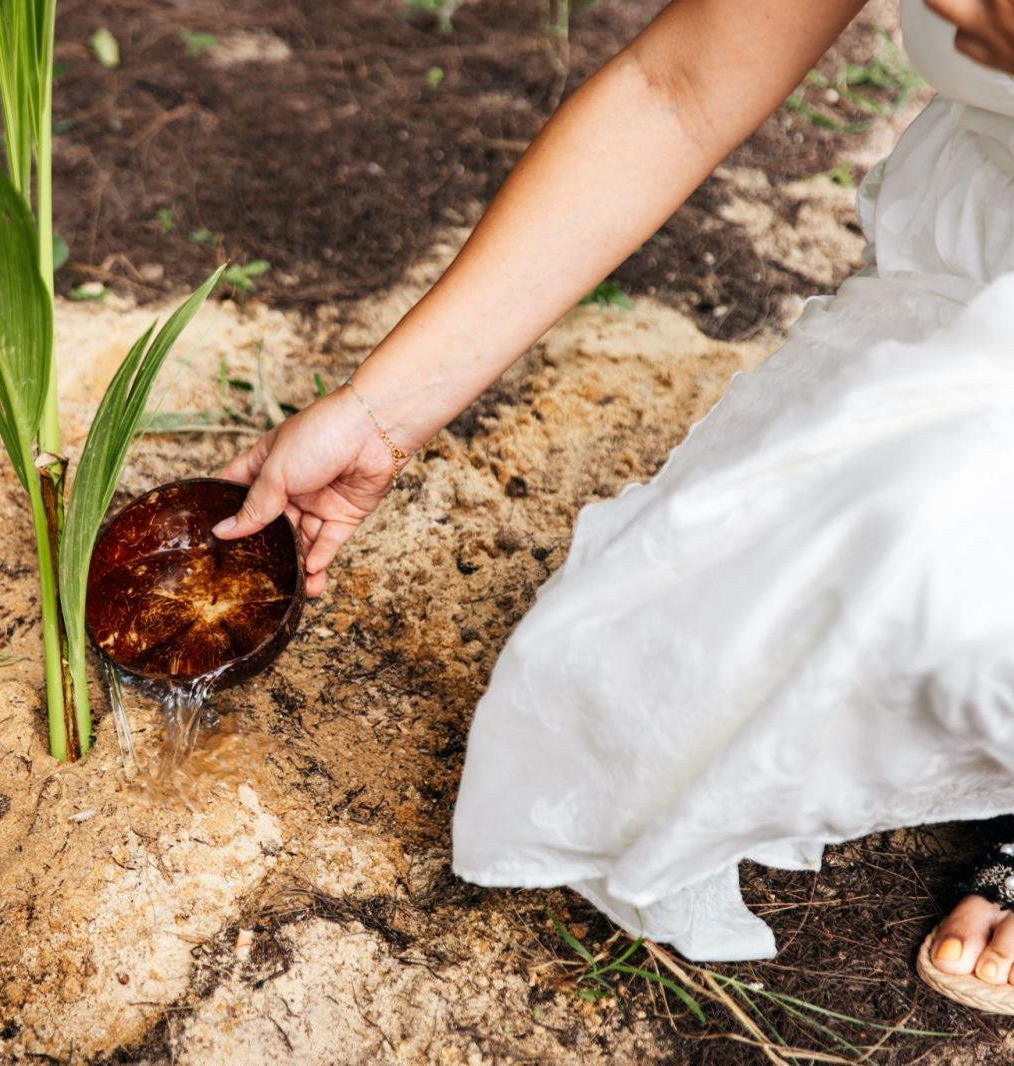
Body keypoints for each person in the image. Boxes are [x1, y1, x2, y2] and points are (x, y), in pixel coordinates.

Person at [213, 0, 1014, 1012]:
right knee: (664, 675)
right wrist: (378, 413)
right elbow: (674, 88)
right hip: (984, 244)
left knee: (956, 581)